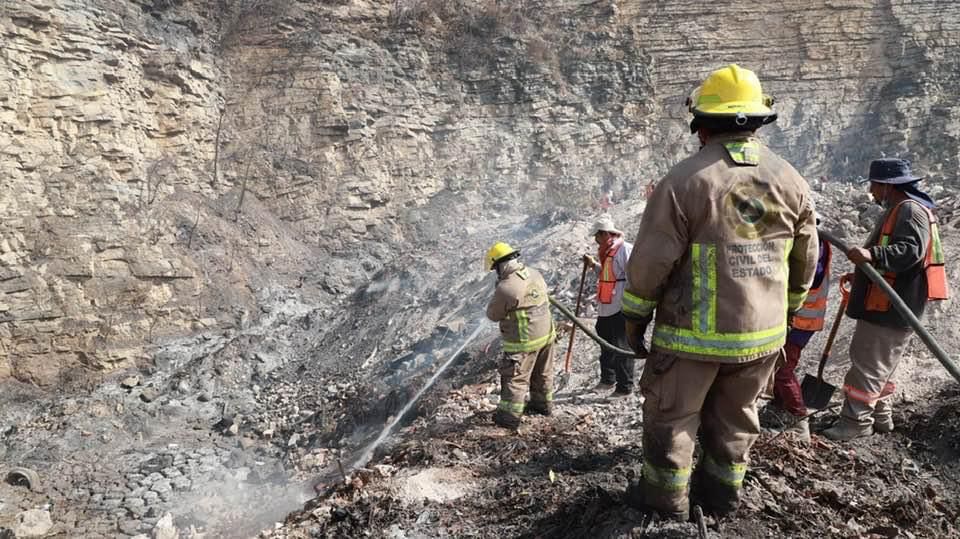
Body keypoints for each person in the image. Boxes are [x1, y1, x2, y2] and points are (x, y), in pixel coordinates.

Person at [620, 64, 819, 520]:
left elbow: (649, 265)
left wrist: (635, 321)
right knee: (736, 422)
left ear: (701, 125)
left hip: (690, 340)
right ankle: (723, 501)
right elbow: (804, 262)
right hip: (762, 339)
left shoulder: (684, 182)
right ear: (758, 120)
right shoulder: (790, 180)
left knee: (672, 423)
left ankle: (666, 507)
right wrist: (785, 313)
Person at [822, 158, 948, 441]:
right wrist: (866, 273)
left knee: (867, 364)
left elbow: (910, 252)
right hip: (892, 302)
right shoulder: (905, 209)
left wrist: (872, 256)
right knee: (882, 366)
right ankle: (881, 417)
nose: (871, 192)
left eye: (874, 186)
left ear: (887, 186)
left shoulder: (909, 210)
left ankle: (855, 422)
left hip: (889, 304)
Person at [484, 242, 557, 429]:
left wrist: (498, 288)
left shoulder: (506, 287)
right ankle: (543, 406)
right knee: (542, 374)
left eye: (495, 269)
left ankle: (509, 417)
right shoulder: (534, 273)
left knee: (515, 379)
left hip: (523, 343)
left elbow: (493, 315)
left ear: (500, 265)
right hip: (547, 336)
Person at [771, 232, 832, 443]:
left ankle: (800, 422)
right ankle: (779, 408)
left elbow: (808, 275)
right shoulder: (808, 239)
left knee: (782, 369)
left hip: (801, 319)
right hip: (796, 316)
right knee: (777, 365)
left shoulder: (813, 243)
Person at [582, 216, 635, 398]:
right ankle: (607, 379)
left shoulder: (624, 250)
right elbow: (608, 275)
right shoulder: (607, 251)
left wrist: (630, 303)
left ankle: (624, 386)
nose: (595, 240)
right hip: (606, 306)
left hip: (620, 305)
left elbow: (632, 277)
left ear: (604, 233)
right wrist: (593, 266)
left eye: (597, 236)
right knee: (605, 343)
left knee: (621, 346)